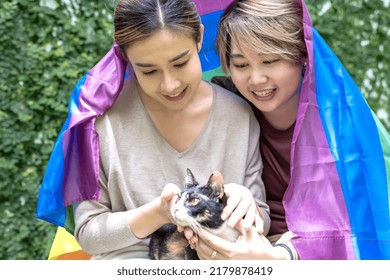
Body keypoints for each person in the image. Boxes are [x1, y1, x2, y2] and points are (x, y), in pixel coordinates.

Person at [183, 0, 390, 260]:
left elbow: (363, 226)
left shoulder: (343, 123)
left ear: (303, 55)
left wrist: (279, 257)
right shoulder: (221, 104)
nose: (256, 79)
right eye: (241, 65)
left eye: (270, 61)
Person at [64, 0, 270, 259]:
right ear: (126, 58)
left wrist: (243, 203)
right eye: (148, 71)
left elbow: (262, 220)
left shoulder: (239, 116)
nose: (170, 85)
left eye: (180, 63)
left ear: (199, 39)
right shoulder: (103, 121)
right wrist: (159, 212)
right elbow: (88, 234)